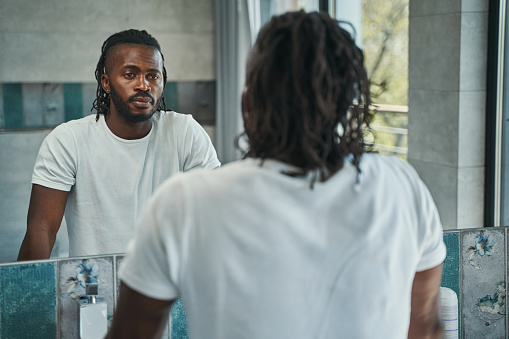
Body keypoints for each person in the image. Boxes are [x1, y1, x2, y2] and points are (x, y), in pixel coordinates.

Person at [107, 12, 445, 339]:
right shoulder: (402, 187)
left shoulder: (187, 203)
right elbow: (426, 328)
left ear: (248, 106)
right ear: (348, 102)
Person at [17, 29, 220, 260]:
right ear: (106, 82)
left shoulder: (185, 132)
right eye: (130, 74)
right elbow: (41, 231)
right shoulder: (68, 140)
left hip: (169, 288)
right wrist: (30, 293)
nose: (143, 85)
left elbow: (215, 217)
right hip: (92, 289)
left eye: (153, 76)